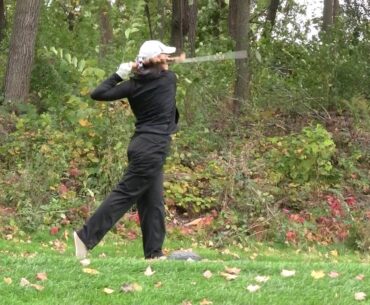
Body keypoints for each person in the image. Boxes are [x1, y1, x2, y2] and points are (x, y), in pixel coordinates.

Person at [73, 40, 179, 260]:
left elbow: (99, 93)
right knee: (124, 195)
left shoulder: (133, 85)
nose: (168, 61)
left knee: (153, 201)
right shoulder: (169, 79)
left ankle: (154, 252)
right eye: (164, 56)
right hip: (152, 148)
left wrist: (119, 74)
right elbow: (96, 94)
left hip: (143, 146)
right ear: (156, 61)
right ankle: (85, 236)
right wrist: (147, 66)